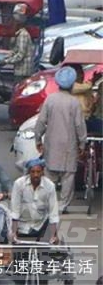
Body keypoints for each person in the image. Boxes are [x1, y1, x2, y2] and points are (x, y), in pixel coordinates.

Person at [35, 66, 87, 212]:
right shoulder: (74, 103)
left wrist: (38, 139)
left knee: (50, 175)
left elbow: (41, 122)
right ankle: (62, 205)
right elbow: (79, 125)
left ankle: (47, 204)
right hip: (69, 145)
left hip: (51, 143)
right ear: (72, 84)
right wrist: (82, 143)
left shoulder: (50, 99)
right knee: (68, 176)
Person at [10, 158, 60, 245]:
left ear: (42, 172)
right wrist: (13, 232)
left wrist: (53, 235)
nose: (36, 175)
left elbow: (53, 212)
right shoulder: (19, 184)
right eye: (33, 172)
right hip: (22, 225)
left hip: (41, 224)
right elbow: (15, 210)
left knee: (46, 254)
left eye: (38, 172)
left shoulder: (50, 186)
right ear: (29, 172)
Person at [1, 9, 36, 86]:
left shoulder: (23, 35)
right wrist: (6, 57)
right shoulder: (19, 34)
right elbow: (15, 50)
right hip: (21, 70)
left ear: (18, 23)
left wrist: (6, 62)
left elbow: (20, 55)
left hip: (23, 72)